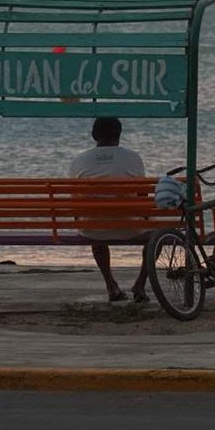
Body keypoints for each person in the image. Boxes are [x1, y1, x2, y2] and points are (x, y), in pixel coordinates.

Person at [70, 116, 149, 303]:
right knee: (159, 236)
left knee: (95, 223)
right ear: (119, 135)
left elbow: (75, 200)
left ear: (93, 135)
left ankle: (110, 285)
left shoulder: (79, 160)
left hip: (92, 228)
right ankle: (140, 284)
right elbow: (142, 198)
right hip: (129, 228)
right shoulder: (133, 158)